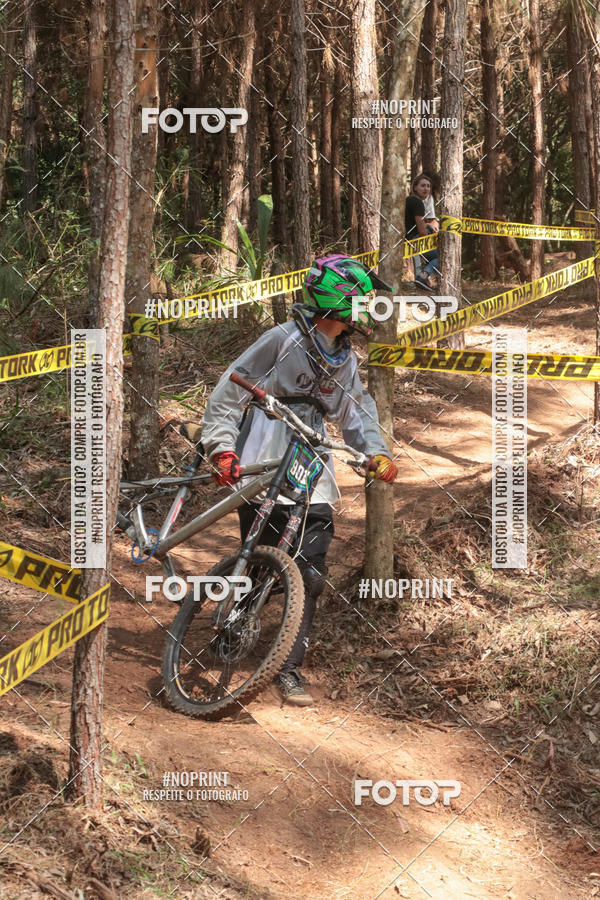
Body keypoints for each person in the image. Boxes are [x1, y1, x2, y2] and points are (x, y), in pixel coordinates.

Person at [200, 255, 399, 706]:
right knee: (259, 554)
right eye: (360, 300)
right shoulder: (281, 340)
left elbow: (356, 410)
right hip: (262, 454)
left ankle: (288, 668)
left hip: (313, 459)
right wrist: (221, 447)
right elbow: (231, 388)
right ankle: (232, 628)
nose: (367, 308)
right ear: (336, 298)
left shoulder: (345, 357)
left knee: (310, 571)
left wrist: (377, 453)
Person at [405, 173, 439, 291]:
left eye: (428, 186)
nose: (426, 189)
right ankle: (423, 276)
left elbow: (413, 222)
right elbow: (422, 231)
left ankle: (423, 278)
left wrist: (428, 224)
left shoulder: (408, 200)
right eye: (423, 186)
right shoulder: (417, 203)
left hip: (408, 238)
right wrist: (427, 236)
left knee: (436, 257)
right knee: (443, 256)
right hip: (416, 239)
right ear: (415, 187)